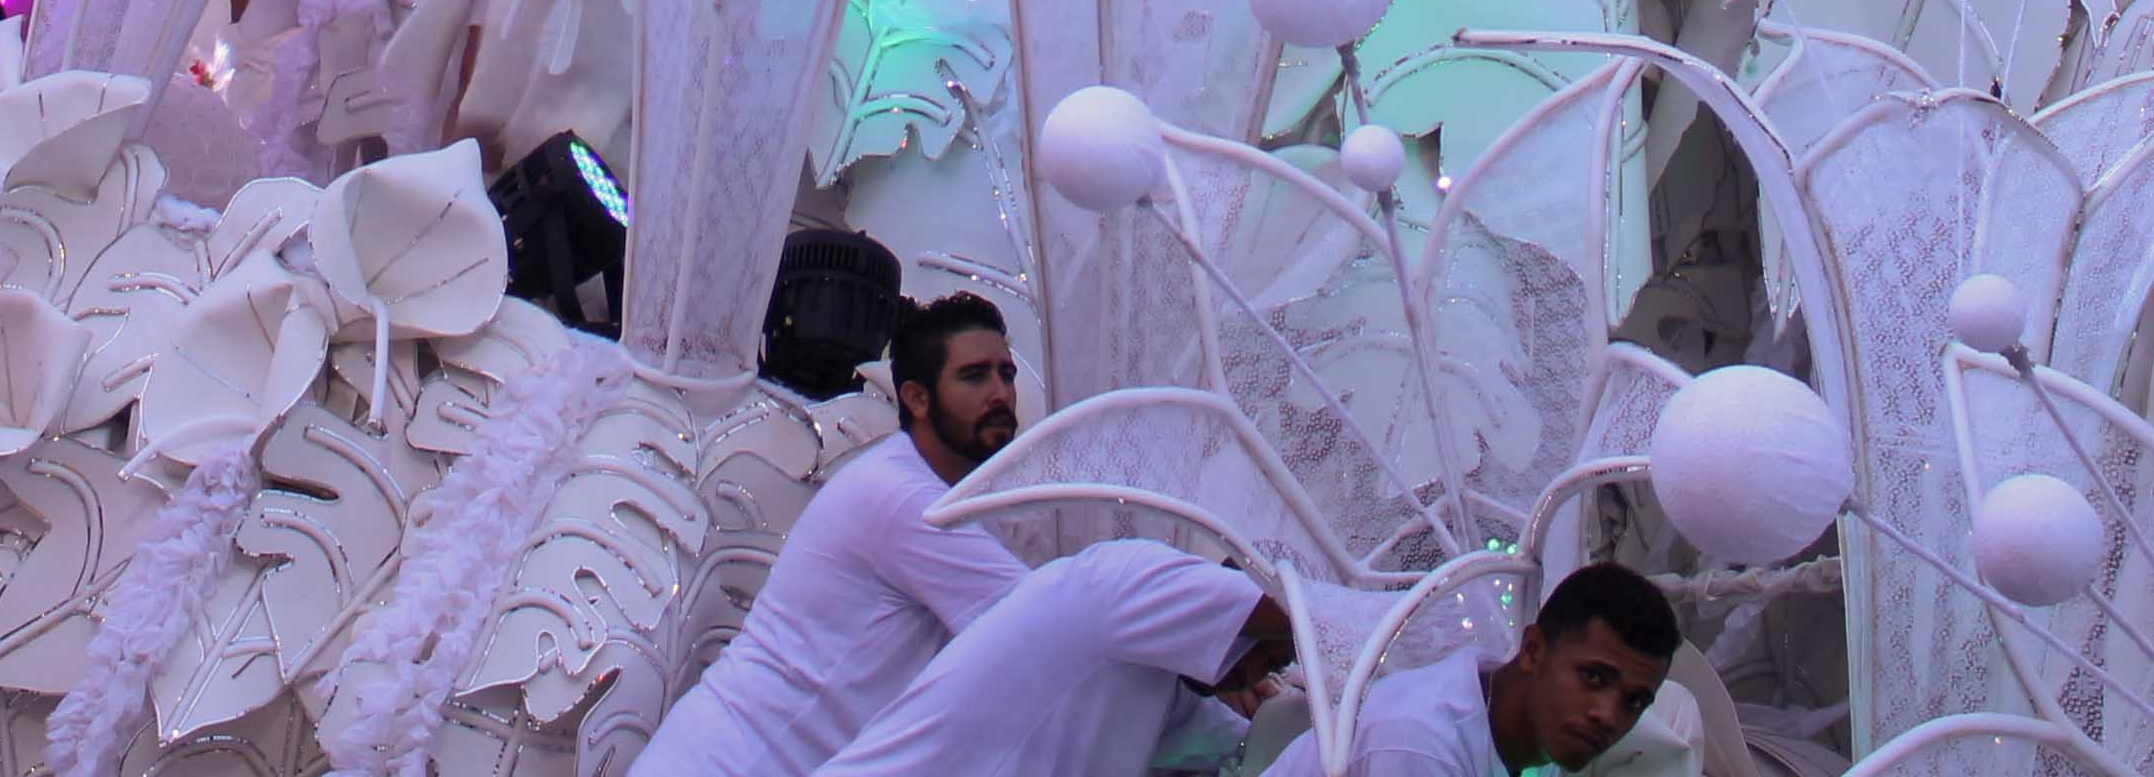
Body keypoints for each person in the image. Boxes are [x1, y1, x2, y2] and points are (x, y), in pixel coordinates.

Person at [638, 293, 1035, 777]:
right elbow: (1049, 626)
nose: (1000, 393)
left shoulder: (966, 506)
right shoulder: (901, 495)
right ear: (916, 398)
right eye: (975, 376)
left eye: (1006, 374)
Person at [804, 537, 1292, 777]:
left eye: (1278, 662)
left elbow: (1272, 755)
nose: (1266, 666)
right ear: (1223, 594)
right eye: (1266, 646)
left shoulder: (1170, 698)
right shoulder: (1124, 582)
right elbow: (1300, 613)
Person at [1255, 562, 1683, 777]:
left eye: (1634, 702)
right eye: (1594, 677)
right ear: (1533, 650)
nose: (1608, 716)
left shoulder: (1541, 736)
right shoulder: (1419, 741)